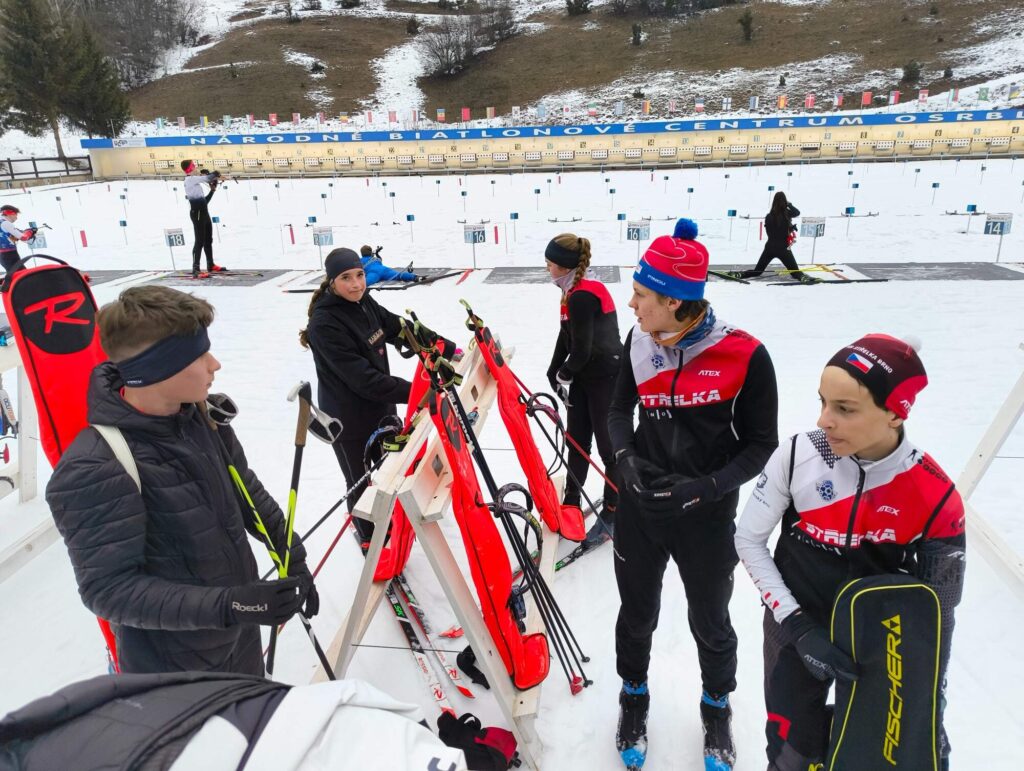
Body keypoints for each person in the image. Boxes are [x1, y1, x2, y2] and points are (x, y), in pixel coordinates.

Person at [46, 285, 317, 675]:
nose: (214, 364)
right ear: (157, 369)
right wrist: (231, 604)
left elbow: (245, 490)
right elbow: (109, 590)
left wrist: (292, 554)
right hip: (174, 669)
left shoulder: (202, 415)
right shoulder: (94, 466)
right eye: (198, 355)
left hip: (236, 640)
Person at [734, 334, 965, 771]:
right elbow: (748, 540)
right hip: (792, 626)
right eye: (822, 402)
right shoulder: (799, 454)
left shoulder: (935, 494)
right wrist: (799, 626)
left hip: (878, 644)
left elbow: (940, 614)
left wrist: (927, 704)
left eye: (844, 409)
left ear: (896, 414)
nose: (824, 420)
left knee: (867, 754)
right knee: (789, 754)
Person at [607, 229, 779, 771]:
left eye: (641, 294)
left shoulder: (745, 353)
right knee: (636, 615)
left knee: (711, 619)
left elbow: (760, 445)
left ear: (674, 300)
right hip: (641, 508)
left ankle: (716, 705)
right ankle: (633, 696)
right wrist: (626, 463)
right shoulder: (637, 341)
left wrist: (703, 489)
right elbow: (615, 414)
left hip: (704, 515)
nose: (630, 303)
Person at [300, 248, 454, 542]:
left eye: (359, 275)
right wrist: (418, 392)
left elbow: (400, 328)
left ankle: (391, 523)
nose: (357, 284)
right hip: (346, 418)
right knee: (359, 481)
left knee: (388, 470)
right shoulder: (324, 324)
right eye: (346, 278)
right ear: (332, 281)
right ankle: (370, 538)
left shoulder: (364, 303)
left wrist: (446, 348)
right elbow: (363, 379)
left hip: (380, 407)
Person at [542, 232, 621, 546]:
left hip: (605, 378)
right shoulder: (569, 292)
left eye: (550, 263)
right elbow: (568, 337)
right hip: (584, 376)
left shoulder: (582, 295)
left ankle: (614, 510)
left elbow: (584, 349)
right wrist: (554, 369)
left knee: (607, 448)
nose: (547, 268)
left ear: (563, 266)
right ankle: (571, 501)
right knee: (576, 442)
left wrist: (564, 372)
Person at [733, 192, 818, 284]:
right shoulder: (787, 214)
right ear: (784, 202)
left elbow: (771, 232)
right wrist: (789, 205)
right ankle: (803, 278)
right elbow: (797, 212)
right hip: (783, 249)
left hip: (770, 248)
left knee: (757, 271)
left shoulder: (769, 216)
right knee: (795, 272)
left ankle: (740, 274)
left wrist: (788, 228)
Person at [182, 160, 227, 279]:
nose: (196, 168)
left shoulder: (195, 181)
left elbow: (204, 202)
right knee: (199, 241)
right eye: (194, 166)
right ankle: (196, 269)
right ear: (189, 169)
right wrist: (215, 173)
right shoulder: (190, 179)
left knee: (208, 240)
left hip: (204, 213)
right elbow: (208, 178)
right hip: (197, 214)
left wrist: (212, 191)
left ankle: (210, 265)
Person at [0, 204, 37, 273]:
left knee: (16, 276)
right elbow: (24, 238)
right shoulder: (6, 223)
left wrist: (19, 234)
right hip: (10, 255)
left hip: (4, 256)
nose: (16, 217)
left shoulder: (2, 223)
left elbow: (6, 238)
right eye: (16, 214)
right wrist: (30, 231)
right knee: (24, 276)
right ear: (9, 213)